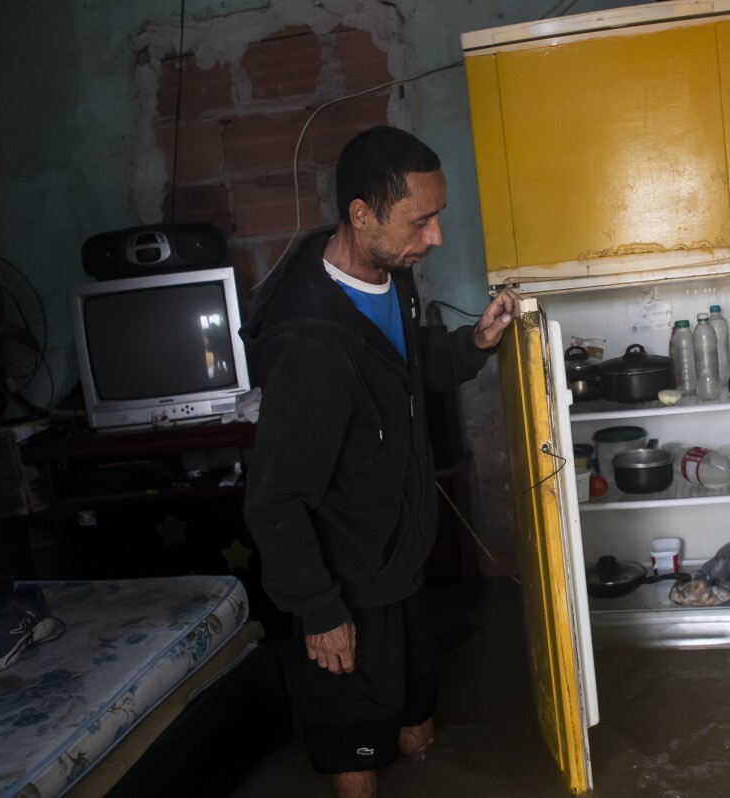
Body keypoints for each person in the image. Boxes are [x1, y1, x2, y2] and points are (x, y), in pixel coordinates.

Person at [240, 125, 517, 798]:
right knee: (354, 763)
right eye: (420, 221)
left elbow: (403, 362)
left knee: (419, 737)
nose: (436, 237)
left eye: (437, 217)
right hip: (345, 583)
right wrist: (319, 611)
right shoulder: (311, 347)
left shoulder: (387, 272)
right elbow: (274, 501)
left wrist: (474, 343)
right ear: (362, 215)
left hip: (398, 561)